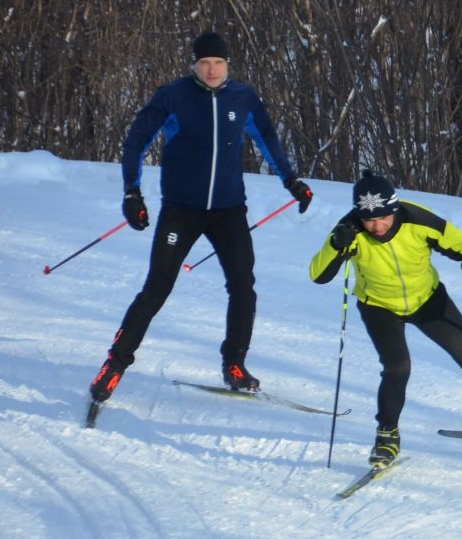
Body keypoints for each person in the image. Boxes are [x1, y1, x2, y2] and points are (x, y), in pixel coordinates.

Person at [91, 30, 314, 403]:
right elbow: (136, 141)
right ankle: (114, 365)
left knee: (243, 285)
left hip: (228, 210)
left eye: (219, 63)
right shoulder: (173, 96)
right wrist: (132, 192)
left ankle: (235, 364)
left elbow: (268, 139)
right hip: (182, 210)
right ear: (193, 64)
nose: (212, 70)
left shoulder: (242, 97)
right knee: (157, 287)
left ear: (228, 64)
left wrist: (291, 180)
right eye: (205, 62)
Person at [310, 171, 462, 468]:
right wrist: (335, 244)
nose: (377, 226)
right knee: (397, 368)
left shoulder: (416, 219)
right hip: (379, 306)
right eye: (369, 220)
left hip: (428, 299)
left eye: (383, 217)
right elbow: (318, 275)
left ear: (394, 208)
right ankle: (387, 437)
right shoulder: (350, 229)